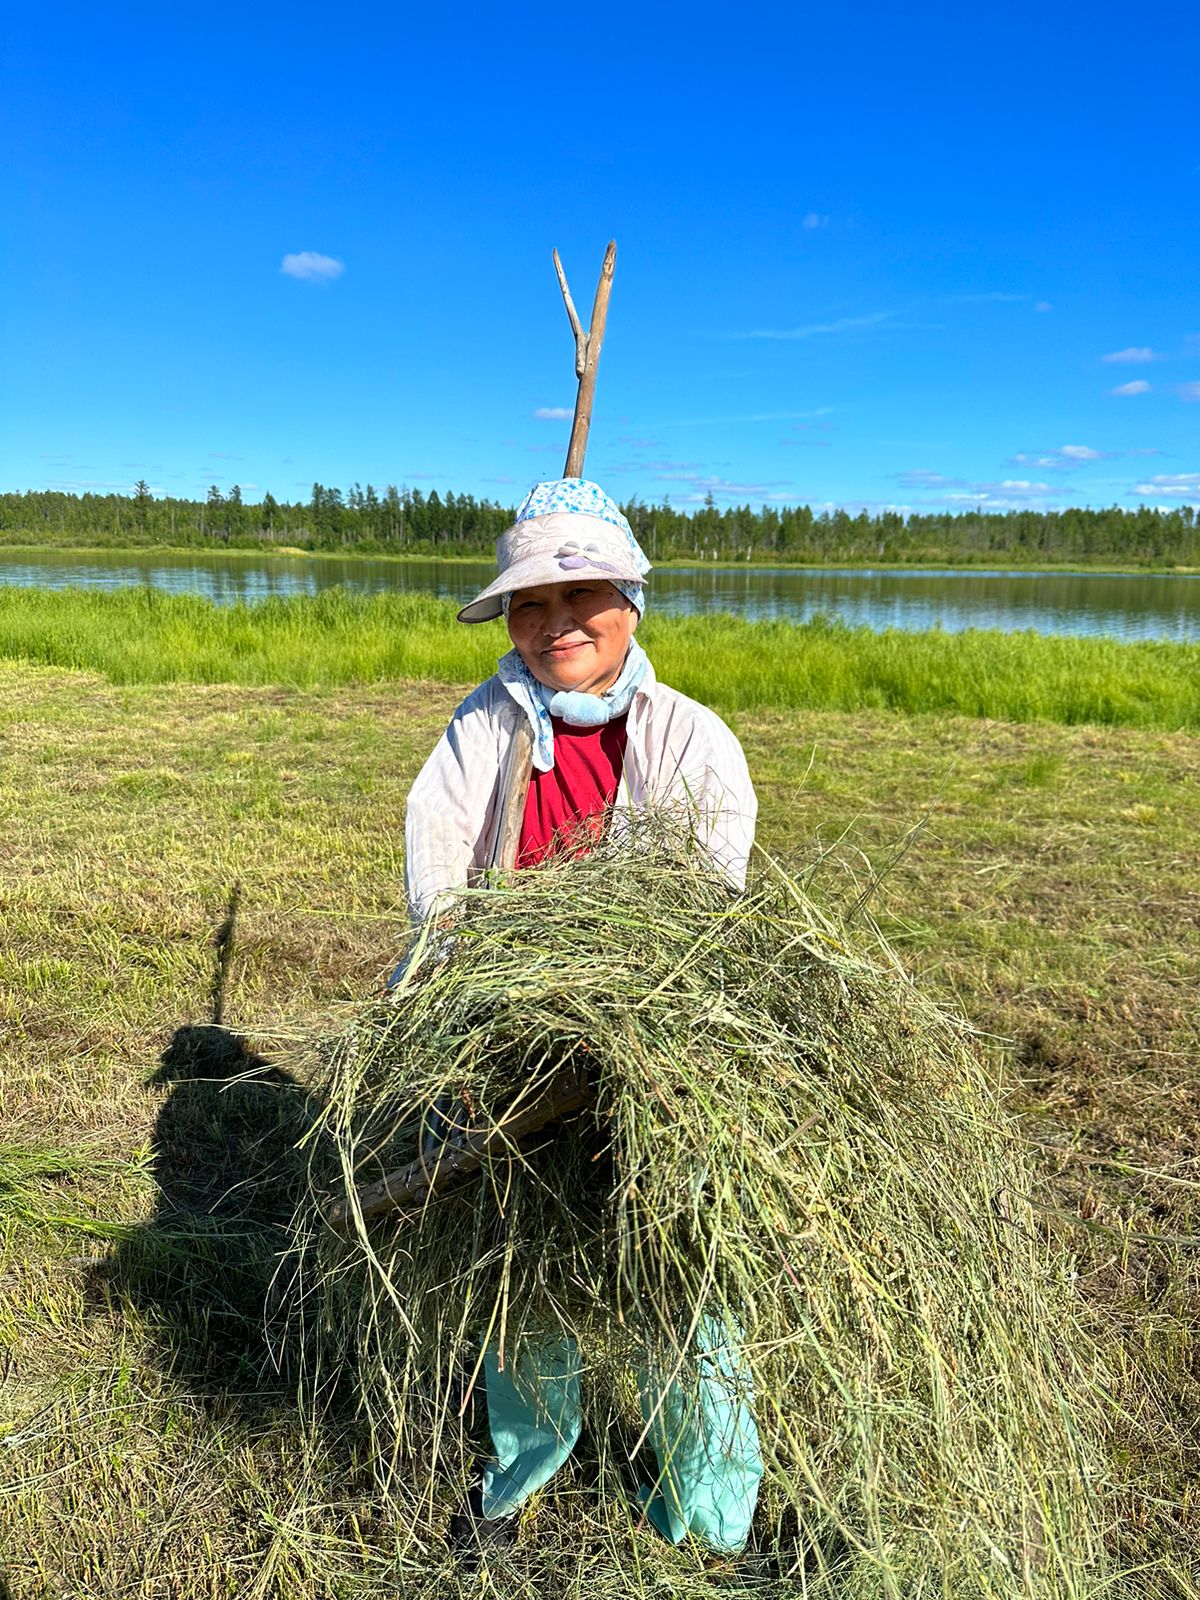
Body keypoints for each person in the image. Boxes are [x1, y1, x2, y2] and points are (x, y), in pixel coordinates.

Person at [400, 477, 762, 1555]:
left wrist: (613, 1017)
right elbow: (439, 882)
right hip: (507, 1054)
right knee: (523, 1268)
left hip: (649, 1059)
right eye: (531, 606)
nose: (557, 625)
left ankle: (711, 1503)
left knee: (678, 1273)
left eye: (582, 597)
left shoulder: (692, 740)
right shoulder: (482, 731)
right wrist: (486, 996)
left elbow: (703, 907)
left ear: (632, 604)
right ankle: (519, 1472)